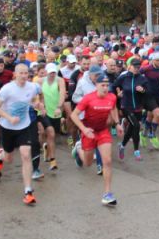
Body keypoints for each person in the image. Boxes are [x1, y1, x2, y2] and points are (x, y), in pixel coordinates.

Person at [0, 64, 43, 205]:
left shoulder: (32, 87)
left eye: (26, 73)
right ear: (15, 74)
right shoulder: (7, 89)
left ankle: (28, 191)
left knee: (26, 155)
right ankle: (1, 155)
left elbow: (33, 99)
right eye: (21, 73)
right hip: (7, 126)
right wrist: (9, 118)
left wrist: (38, 105)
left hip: (24, 126)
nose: (24, 76)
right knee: (9, 158)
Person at [70, 74, 123, 206]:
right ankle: (78, 149)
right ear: (96, 85)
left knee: (108, 161)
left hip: (103, 131)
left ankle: (107, 193)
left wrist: (117, 123)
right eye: (102, 85)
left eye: (107, 85)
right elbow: (74, 115)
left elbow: (113, 108)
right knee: (88, 163)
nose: (105, 88)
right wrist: (84, 129)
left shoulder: (112, 97)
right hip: (88, 132)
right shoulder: (88, 98)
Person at [112, 58, 149, 161]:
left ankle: (122, 146)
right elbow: (114, 86)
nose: (137, 69)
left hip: (138, 107)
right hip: (126, 106)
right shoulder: (124, 77)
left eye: (138, 67)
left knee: (131, 128)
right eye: (135, 67)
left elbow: (148, 91)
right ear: (130, 66)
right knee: (136, 126)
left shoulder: (142, 78)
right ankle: (136, 151)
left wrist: (143, 90)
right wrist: (117, 93)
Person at [38, 63, 66, 171]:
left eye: (54, 72)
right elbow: (38, 96)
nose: (52, 74)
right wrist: (41, 107)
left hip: (55, 111)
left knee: (53, 135)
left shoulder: (60, 80)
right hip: (44, 111)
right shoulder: (40, 81)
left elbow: (62, 93)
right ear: (46, 72)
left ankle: (47, 149)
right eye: (50, 72)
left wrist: (59, 106)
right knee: (49, 133)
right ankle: (53, 160)